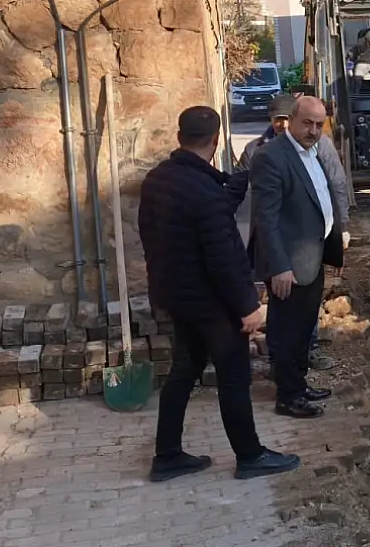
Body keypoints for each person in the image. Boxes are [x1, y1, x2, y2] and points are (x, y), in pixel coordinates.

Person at [138, 106, 301, 481]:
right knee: (233, 378)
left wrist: (228, 190)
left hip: (177, 296)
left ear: (180, 136)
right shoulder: (205, 194)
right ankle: (250, 456)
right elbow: (223, 258)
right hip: (211, 304)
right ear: (215, 141)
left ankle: (167, 456)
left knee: (183, 371)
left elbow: (174, 231)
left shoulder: (158, 180)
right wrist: (247, 308)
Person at [238, 94, 350, 372]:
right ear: (291, 121)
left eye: (318, 124)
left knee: (304, 321)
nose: (313, 130)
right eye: (307, 123)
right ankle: (288, 389)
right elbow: (265, 215)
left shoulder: (317, 149)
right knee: (287, 326)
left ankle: (299, 379)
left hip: (313, 253)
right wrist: (278, 265)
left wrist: (339, 236)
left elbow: (332, 190)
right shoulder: (264, 153)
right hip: (289, 259)